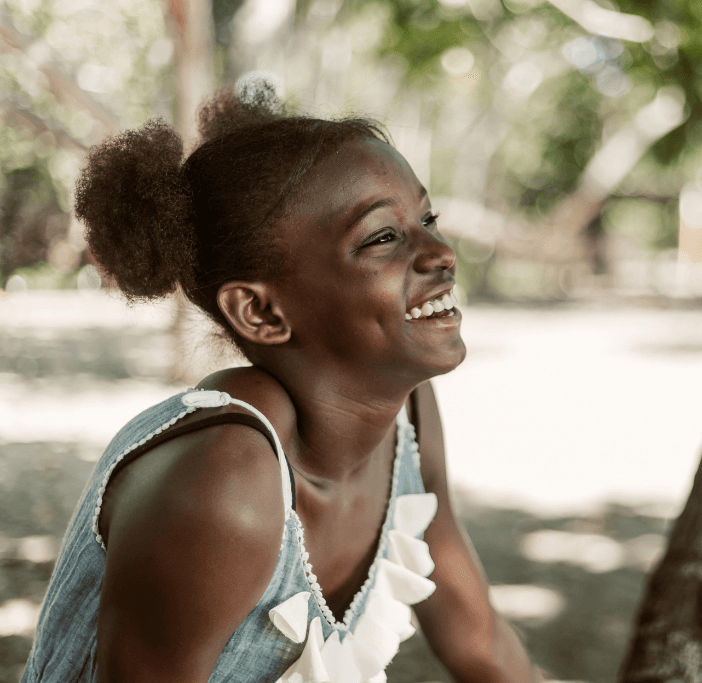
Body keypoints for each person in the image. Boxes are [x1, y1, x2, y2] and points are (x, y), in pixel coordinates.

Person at [21, 83, 539, 683]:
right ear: (260, 313)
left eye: (426, 219)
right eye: (381, 238)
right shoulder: (222, 479)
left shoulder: (408, 415)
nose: (442, 252)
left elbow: (481, 643)